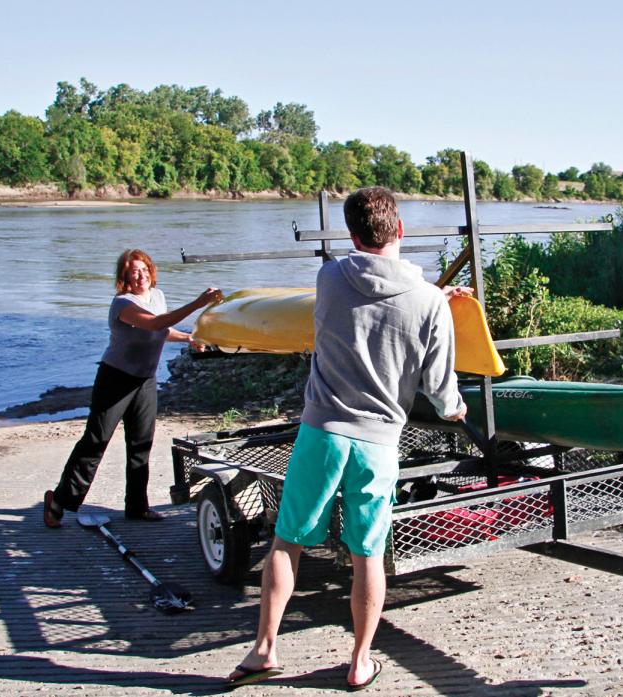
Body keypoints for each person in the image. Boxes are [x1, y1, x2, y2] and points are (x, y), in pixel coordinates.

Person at [227, 187, 468, 690]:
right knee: (367, 554)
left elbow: (370, 296)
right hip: (378, 443)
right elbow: (442, 392)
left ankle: (264, 649)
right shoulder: (428, 303)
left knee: (287, 541)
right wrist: (457, 405)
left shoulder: (330, 277)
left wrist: (430, 300)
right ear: (400, 230)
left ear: (352, 235)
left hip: (323, 432)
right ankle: (360, 661)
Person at [43, 249, 221, 527]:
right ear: (124, 278)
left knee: (141, 444)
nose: (141, 276)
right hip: (116, 378)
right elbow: (155, 324)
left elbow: (163, 331)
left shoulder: (157, 296)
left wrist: (188, 338)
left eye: (144, 270)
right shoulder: (122, 304)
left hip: (145, 381)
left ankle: (137, 507)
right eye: (133, 272)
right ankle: (59, 501)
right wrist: (199, 302)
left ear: (152, 271)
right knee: (96, 441)